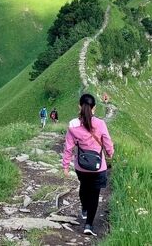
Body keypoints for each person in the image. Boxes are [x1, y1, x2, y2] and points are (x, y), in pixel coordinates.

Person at [62, 94, 114, 237]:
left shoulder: (73, 125)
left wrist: (65, 166)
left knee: (84, 187)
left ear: (79, 106)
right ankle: (89, 225)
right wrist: (110, 153)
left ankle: (84, 208)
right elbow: (107, 142)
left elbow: (68, 148)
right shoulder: (100, 123)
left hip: (81, 166)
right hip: (99, 167)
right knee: (94, 194)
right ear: (94, 108)